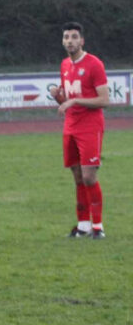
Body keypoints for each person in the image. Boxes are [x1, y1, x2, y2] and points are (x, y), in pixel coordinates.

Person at [48, 22, 109, 239]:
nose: (70, 41)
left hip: (90, 127)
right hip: (70, 127)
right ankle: (83, 225)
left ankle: (98, 226)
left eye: (74, 37)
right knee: (77, 176)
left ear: (81, 41)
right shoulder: (65, 65)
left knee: (89, 177)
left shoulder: (94, 64)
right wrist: (58, 95)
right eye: (66, 37)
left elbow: (104, 99)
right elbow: (67, 98)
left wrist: (73, 102)